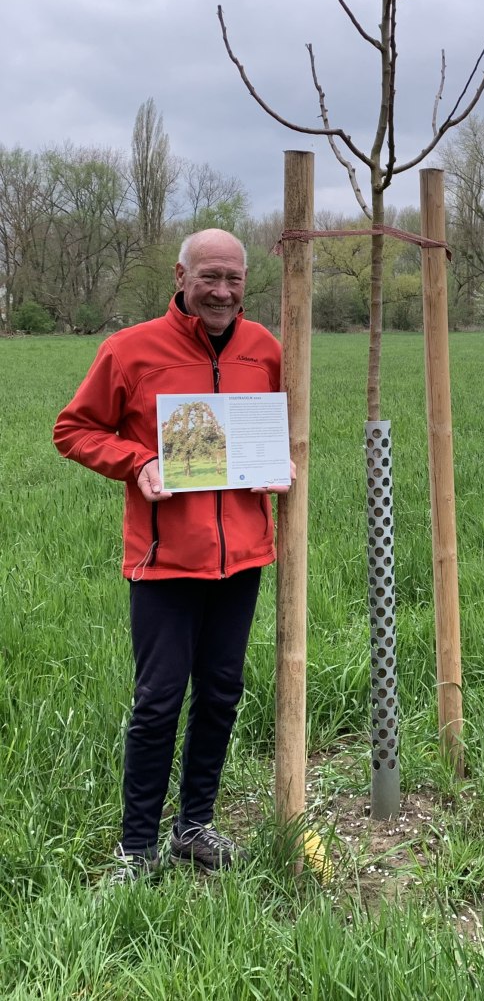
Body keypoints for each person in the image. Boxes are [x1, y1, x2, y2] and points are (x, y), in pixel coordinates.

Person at [54, 228, 292, 882]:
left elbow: (276, 427)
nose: (221, 290)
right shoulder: (130, 350)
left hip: (241, 556)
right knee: (159, 700)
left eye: (233, 278)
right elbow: (72, 429)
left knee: (221, 693)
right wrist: (139, 460)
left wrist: (276, 463)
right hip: (164, 561)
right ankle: (136, 849)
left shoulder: (265, 349)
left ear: (246, 280)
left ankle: (193, 826)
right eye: (209, 276)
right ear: (181, 275)